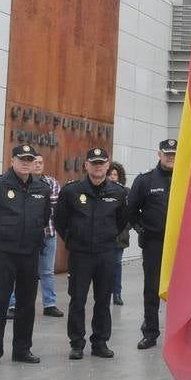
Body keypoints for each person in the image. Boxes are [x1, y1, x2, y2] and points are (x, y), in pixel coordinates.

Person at [0, 143, 52, 367]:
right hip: (2, 254)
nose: (26, 163)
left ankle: (22, 349)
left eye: (30, 159)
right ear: (12, 160)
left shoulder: (42, 188)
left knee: (27, 304)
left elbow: (44, 218)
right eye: (22, 159)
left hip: (29, 254)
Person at [54, 147, 129, 361]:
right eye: (93, 163)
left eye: (101, 163)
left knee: (103, 299)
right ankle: (77, 343)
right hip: (80, 254)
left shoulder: (118, 192)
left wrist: (109, 237)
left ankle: (100, 342)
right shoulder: (71, 191)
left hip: (106, 252)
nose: (98, 166)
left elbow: (122, 220)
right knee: (77, 299)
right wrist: (72, 239)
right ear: (85, 165)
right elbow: (60, 220)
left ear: (108, 165)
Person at [128, 139, 176, 350]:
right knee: (152, 288)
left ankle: (178, 332)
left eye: (174, 153)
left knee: (180, 289)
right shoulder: (145, 179)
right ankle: (150, 332)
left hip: (180, 244)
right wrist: (141, 229)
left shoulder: (186, 177)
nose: (170, 157)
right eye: (167, 153)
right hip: (155, 242)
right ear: (159, 154)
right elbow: (131, 209)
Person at [7, 153, 63, 320]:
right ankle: (13, 305)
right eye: (35, 162)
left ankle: (49, 304)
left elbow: (54, 205)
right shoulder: (20, 183)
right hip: (26, 236)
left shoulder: (52, 183)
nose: (37, 165)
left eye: (40, 162)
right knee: (18, 271)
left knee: (47, 271)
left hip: (48, 234)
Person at [108, 161, 129, 306]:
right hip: (104, 235)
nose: (112, 177)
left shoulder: (126, 192)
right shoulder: (103, 191)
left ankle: (117, 293)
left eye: (115, 174)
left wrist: (125, 228)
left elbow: (130, 213)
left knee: (116, 264)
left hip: (120, 235)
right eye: (110, 174)